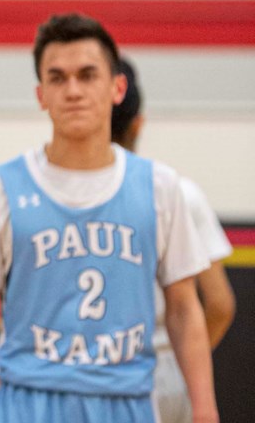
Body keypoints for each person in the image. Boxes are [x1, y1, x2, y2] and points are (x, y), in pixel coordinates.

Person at [0, 13, 219, 423]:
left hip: (127, 399)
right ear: (41, 95)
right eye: (57, 78)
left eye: (87, 75)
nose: (72, 90)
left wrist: (204, 410)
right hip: (29, 400)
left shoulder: (161, 187)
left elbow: (184, 309)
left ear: (117, 87)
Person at [112, 56, 235, 423]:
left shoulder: (52, 197)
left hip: (85, 372)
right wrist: (183, 363)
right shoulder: (180, 192)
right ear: (139, 123)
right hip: (164, 369)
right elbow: (220, 304)